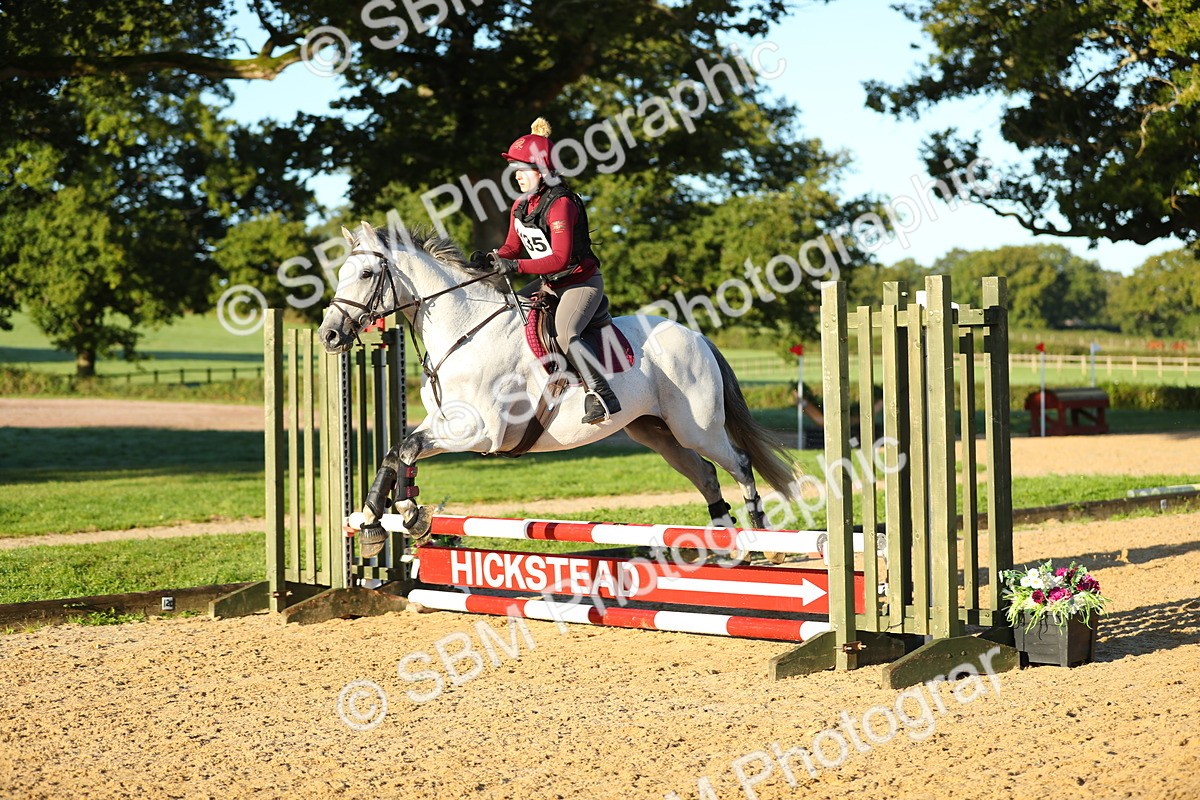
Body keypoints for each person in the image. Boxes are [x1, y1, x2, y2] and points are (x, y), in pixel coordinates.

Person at [486, 118, 621, 424]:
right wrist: (491, 258)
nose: (517, 177)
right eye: (515, 171)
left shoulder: (561, 204)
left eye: (523, 170)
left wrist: (516, 265)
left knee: (566, 333)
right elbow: (511, 248)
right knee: (505, 310)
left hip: (580, 283)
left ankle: (601, 394)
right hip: (549, 284)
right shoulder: (521, 205)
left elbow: (560, 259)